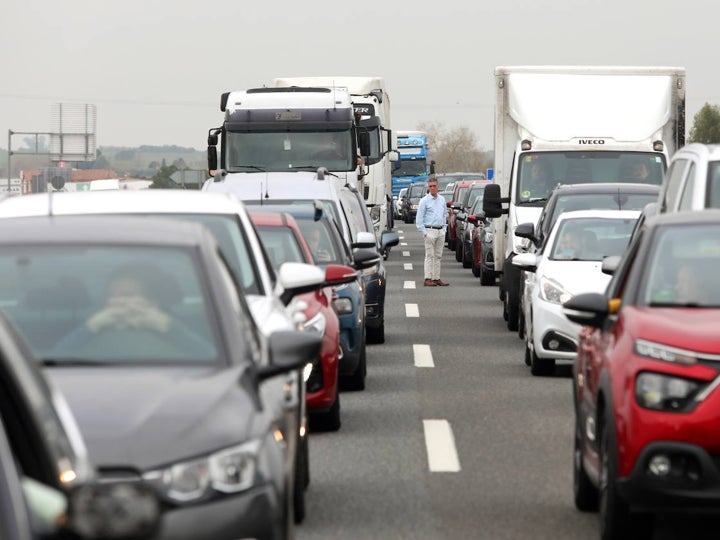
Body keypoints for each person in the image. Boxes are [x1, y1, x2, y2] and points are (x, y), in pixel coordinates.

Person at [416, 176, 449, 286]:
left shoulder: (442, 199)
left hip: (440, 231)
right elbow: (419, 219)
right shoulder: (424, 201)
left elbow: (444, 214)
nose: (433, 188)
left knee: (438, 256)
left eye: (434, 186)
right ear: (428, 187)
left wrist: (444, 228)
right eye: (430, 186)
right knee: (429, 255)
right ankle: (427, 278)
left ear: (438, 186)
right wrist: (425, 233)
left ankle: (436, 278)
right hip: (430, 230)